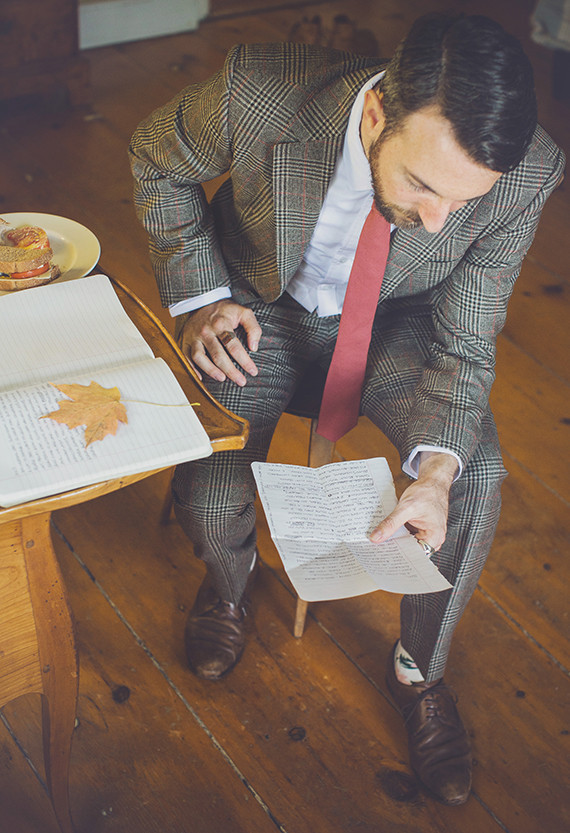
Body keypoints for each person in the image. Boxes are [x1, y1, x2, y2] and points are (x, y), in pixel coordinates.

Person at [129, 13, 565, 805]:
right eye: (423, 186)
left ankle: (416, 671)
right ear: (374, 118)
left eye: (460, 203)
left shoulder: (529, 172)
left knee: (478, 474)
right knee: (215, 481)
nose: (439, 221)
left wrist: (434, 471)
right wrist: (202, 300)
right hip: (256, 310)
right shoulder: (254, 93)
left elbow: (466, 337)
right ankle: (230, 581)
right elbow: (155, 161)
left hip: (398, 324)